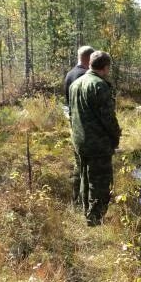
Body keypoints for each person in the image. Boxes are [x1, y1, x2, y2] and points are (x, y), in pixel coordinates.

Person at [69, 51, 121, 226]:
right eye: (108, 67)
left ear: (90, 64)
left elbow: (72, 115)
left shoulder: (75, 84)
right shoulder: (99, 85)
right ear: (105, 67)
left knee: (84, 177)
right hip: (97, 144)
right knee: (100, 183)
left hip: (79, 141)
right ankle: (94, 220)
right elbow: (108, 118)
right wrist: (116, 137)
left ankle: (84, 211)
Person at [65, 46, 95, 206]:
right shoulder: (85, 76)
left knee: (79, 164)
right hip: (86, 130)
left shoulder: (69, 74)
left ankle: (75, 199)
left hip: (74, 128)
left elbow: (67, 105)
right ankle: (86, 204)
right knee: (88, 169)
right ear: (89, 59)